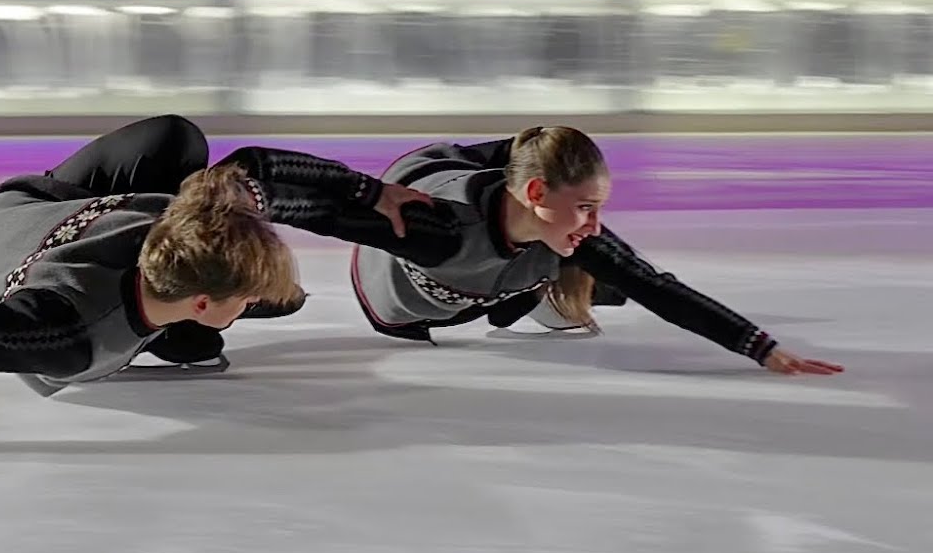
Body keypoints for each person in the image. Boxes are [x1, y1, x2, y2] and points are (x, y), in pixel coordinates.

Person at [0, 115, 430, 462]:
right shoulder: (66, 338)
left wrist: (374, 196)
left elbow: (263, 173)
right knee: (236, 330)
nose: (251, 301)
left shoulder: (188, 217)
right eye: (239, 299)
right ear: (200, 302)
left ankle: (192, 333)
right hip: (0, 248)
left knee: (178, 145)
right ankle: (186, 340)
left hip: (45, 225)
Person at [346, 126, 845, 376]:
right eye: (587, 206)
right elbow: (321, 210)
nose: (597, 223)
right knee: (580, 260)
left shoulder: (563, 231)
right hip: (412, 287)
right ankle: (540, 282)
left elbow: (653, 285)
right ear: (536, 192)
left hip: (502, 246)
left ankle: (545, 265)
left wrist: (760, 348)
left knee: (607, 266)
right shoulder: (440, 228)